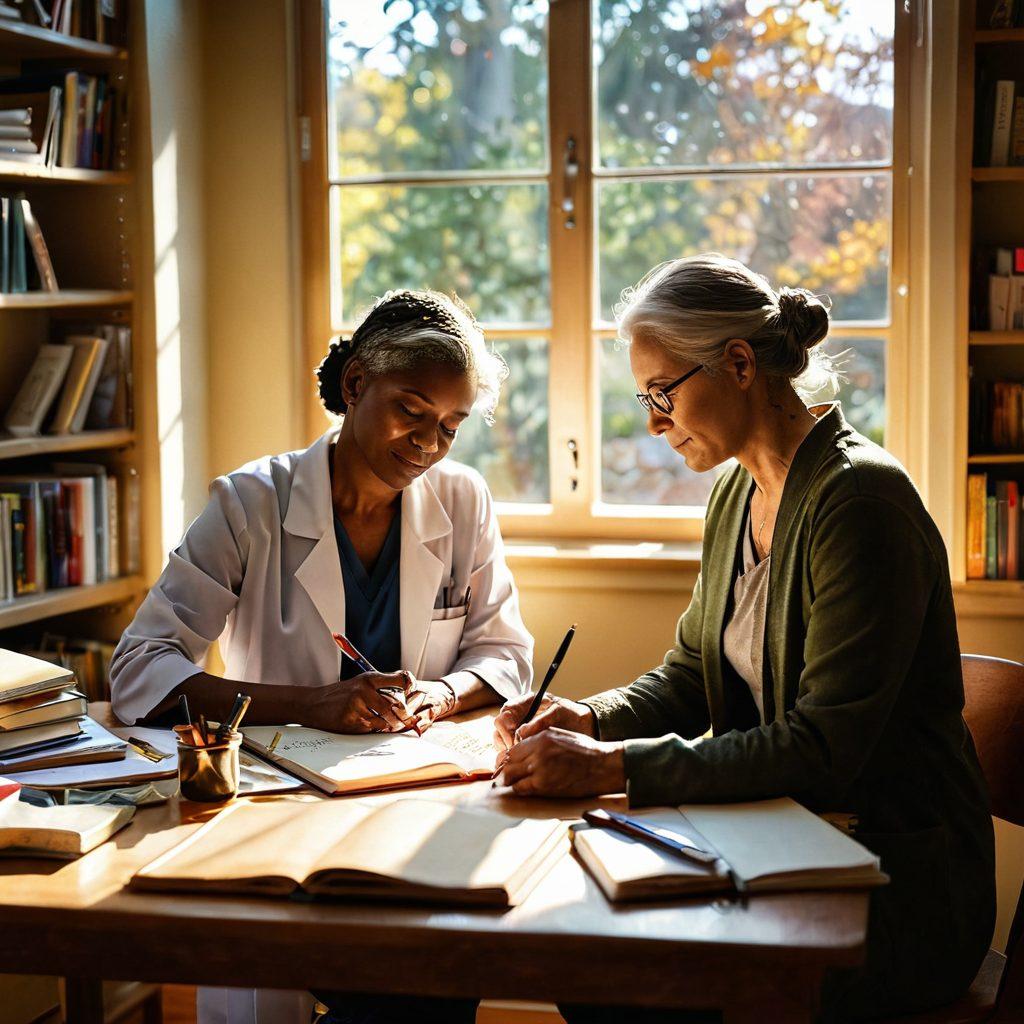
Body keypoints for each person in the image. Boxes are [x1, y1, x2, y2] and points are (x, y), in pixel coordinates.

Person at [493, 254, 996, 1021]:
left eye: (662, 393)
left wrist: (611, 766)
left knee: (617, 985)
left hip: (892, 890)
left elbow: (823, 751)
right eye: (644, 397)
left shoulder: (860, 504)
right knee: (590, 959)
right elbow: (694, 672)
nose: (653, 421)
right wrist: (587, 718)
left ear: (736, 365)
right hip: (788, 845)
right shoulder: (738, 489)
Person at [110, 288, 532, 1024]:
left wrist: (442, 693)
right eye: (412, 410)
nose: (429, 443)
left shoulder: (462, 501)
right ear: (356, 384)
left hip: (412, 805)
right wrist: (309, 705)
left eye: (450, 425)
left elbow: (503, 655)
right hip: (280, 808)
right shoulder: (251, 503)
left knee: (431, 978)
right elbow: (140, 668)